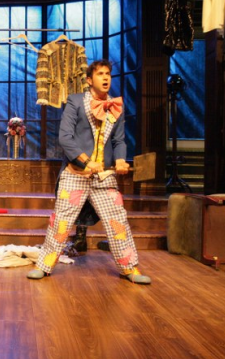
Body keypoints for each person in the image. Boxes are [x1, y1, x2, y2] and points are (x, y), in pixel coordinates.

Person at [27, 60, 151, 284]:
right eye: (100, 74)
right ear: (89, 80)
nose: (106, 78)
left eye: (108, 74)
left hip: (104, 178)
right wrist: (86, 161)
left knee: (117, 221)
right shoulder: (75, 101)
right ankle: (43, 266)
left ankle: (129, 267)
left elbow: (119, 141)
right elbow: (65, 137)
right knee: (61, 222)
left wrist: (120, 160)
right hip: (75, 174)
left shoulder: (115, 106)